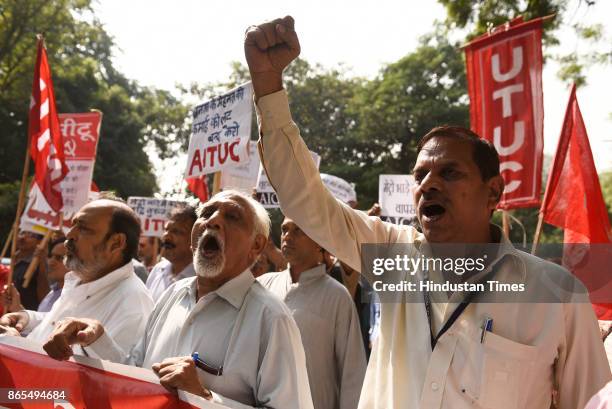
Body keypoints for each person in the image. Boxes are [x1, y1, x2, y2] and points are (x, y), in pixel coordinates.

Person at [245, 16, 611, 409]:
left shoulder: (557, 295)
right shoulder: (391, 256)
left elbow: (591, 402)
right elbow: (304, 199)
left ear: (493, 193)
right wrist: (268, 85)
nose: (429, 185)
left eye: (450, 172)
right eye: (421, 175)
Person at [41, 190, 313, 409]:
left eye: (232, 217)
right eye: (206, 213)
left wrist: (204, 398)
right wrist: (96, 338)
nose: (213, 221)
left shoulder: (271, 319)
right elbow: (137, 373)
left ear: (257, 246)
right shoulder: (173, 294)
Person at [0, 197, 154, 360]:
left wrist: (14, 344)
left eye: (83, 229)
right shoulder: (84, 278)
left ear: (116, 242)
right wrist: (27, 318)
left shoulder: (133, 304)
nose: (70, 235)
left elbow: (107, 376)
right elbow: (57, 323)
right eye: (73, 225)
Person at [259, 217, 366, 409]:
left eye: (298, 231)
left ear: (319, 242)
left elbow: (353, 375)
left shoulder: (337, 297)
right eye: (284, 230)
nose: (287, 237)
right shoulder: (263, 286)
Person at [146, 205, 197, 302]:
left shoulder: (201, 280)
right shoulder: (158, 270)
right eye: (166, 230)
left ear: (194, 238)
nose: (166, 236)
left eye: (176, 232)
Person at [10, 230, 48, 310]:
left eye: (31, 235)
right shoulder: (12, 259)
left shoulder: (41, 264)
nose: (23, 238)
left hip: (26, 317)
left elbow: (45, 297)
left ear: (40, 241)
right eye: (22, 233)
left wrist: (42, 265)